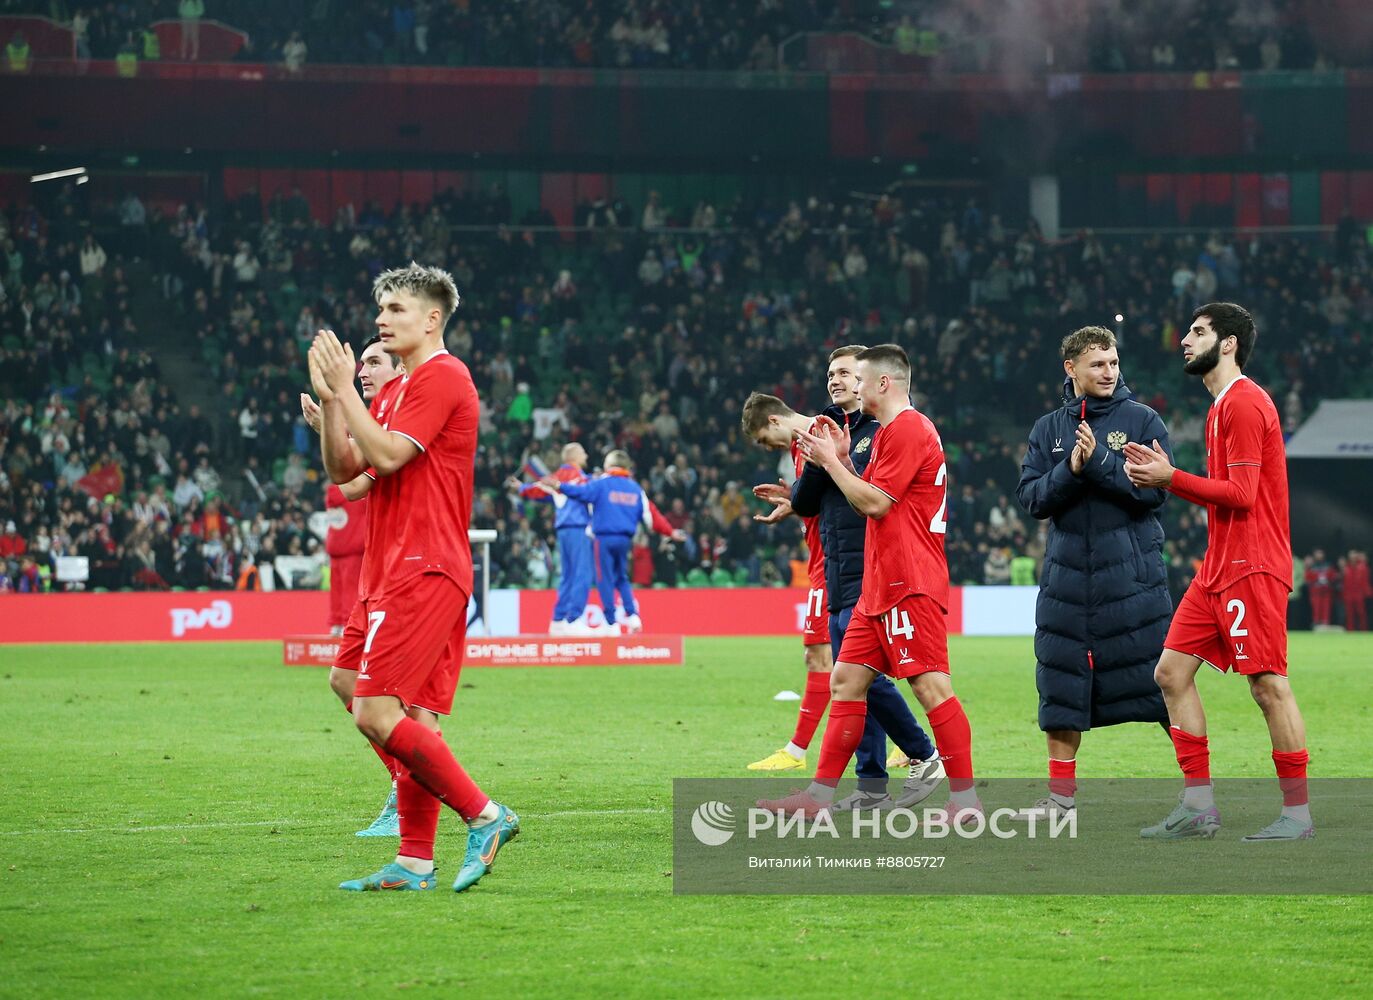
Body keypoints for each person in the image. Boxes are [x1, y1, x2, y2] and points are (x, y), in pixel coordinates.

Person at [310, 262, 519, 892]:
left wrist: (347, 393)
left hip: (423, 566)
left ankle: (486, 815)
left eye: (396, 309)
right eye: (381, 309)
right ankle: (414, 860)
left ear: (432, 318)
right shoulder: (397, 391)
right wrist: (332, 404)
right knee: (367, 693)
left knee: (375, 712)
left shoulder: (443, 377)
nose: (381, 320)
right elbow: (348, 472)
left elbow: (390, 454)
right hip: (393, 568)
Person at [759, 344, 977, 823]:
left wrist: (832, 463)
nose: (849, 386)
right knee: (846, 681)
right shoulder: (889, 435)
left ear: (881, 383)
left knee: (932, 688)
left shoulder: (907, 429)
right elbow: (866, 497)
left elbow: (875, 504)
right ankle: (818, 799)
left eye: (857, 378)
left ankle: (965, 801)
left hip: (908, 578)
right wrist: (842, 462)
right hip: (878, 583)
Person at [1124, 302, 1313, 841]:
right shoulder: (1219, 408)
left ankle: (1297, 815)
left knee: (1268, 685)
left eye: (1199, 331)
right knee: (1170, 674)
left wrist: (1169, 478)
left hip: (1252, 565)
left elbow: (1243, 494)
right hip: (1218, 567)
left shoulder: (1246, 404)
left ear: (1227, 343)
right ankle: (1198, 806)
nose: (1185, 339)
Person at [1017, 325, 1173, 819]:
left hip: (1133, 582)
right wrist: (1070, 469)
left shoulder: (1144, 419)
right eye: (1097, 364)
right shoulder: (1048, 429)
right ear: (1071, 368)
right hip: (1066, 585)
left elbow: (1154, 493)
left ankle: (1200, 793)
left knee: (1165, 685)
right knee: (1060, 684)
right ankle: (1061, 800)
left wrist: (1100, 460)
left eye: (1113, 362)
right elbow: (1033, 498)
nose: (1109, 372)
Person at [302, 335, 403, 837]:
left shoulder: (409, 411)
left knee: (395, 704)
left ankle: (463, 810)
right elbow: (349, 483)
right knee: (344, 680)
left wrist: (341, 413)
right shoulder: (379, 422)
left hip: (409, 575)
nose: (363, 369)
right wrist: (331, 419)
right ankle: (404, 786)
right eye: (359, 362)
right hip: (375, 574)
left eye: (374, 361)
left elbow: (374, 465)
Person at [739, 392, 837, 774]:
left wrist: (798, 499)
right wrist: (794, 500)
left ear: (776, 421)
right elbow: (822, 498)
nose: (767, 447)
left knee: (819, 655)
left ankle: (796, 751)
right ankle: (912, 744)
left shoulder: (817, 437)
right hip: (822, 559)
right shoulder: (802, 448)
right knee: (859, 661)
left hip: (830, 564)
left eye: (765, 438)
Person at [541, 450, 684, 634]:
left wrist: (560, 485)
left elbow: (580, 492)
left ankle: (611, 623)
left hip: (603, 539)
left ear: (609, 466)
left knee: (604, 580)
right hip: (625, 540)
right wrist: (670, 532)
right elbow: (652, 515)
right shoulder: (634, 488)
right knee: (622, 578)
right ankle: (632, 617)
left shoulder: (601, 485)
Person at [505, 442, 595, 635]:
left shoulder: (557, 477)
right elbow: (591, 492)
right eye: (583, 452)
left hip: (563, 531)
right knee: (582, 574)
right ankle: (574, 619)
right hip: (578, 528)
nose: (586, 455)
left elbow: (539, 489)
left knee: (568, 576)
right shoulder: (579, 477)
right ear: (574, 456)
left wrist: (522, 488)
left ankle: (558, 620)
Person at [1304, 549, 1334, 627]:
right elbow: (1307, 578)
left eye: (1320, 554)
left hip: (1326, 590)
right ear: (1314, 555)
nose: (1319, 556)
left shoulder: (1328, 565)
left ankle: (1325, 623)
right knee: (1316, 608)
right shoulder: (1311, 567)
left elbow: (1333, 576)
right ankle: (1316, 623)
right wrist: (1315, 580)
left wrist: (1328, 581)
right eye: (1317, 554)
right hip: (1315, 591)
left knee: (1326, 607)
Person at [1343, 550, 1369, 632]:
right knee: (1349, 614)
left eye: (1354, 555)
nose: (1353, 557)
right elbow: (1344, 582)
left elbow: (1365, 581)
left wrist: (1367, 593)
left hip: (1359, 594)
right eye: (1351, 555)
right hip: (1348, 594)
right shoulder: (1346, 567)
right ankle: (1350, 630)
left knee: (1361, 614)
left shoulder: (1363, 567)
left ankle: (1363, 630)